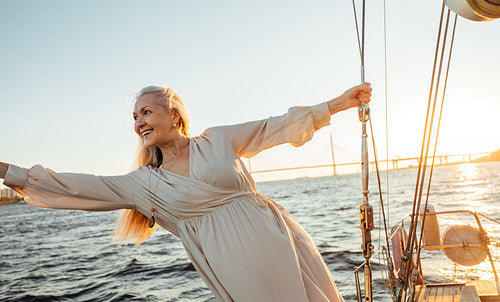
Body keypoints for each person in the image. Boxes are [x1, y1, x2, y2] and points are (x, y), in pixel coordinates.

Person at [0, 83, 372, 302]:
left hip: (281, 241)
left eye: (145, 112)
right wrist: (7, 171)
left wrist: (341, 102)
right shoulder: (144, 183)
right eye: (134, 117)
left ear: (173, 115)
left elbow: (272, 128)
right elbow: (75, 184)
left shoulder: (218, 139)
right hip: (234, 266)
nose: (139, 122)